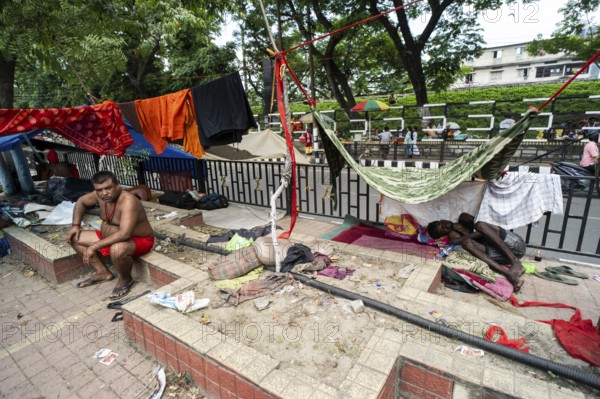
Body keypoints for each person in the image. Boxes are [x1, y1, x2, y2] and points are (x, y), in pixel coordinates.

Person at [67, 171, 154, 300]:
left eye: (108, 188)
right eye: (99, 190)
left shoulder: (128, 201)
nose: (104, 193)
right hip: (108, 238)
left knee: (117, 250)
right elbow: (81, 202)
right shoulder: (100, 197)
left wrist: (94, 246)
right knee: (74, 238)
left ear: (118, 186)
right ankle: (102, 272)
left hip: (138, 240)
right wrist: (75, 225)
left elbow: (125, 234)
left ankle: (126, 279)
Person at [427, 213, 525, 292]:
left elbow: (485, 229)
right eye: (442, 230)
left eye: (441, 223)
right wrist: (460, 240)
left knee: (480, 225)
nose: (444, 226)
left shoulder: (463, 218)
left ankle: (515, 261)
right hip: (501, 254)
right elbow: (477, 237)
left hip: (514, 243)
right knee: (467, 243)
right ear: (443, 235)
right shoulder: (453, 237)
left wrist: (461, 239)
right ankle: (509, 275)